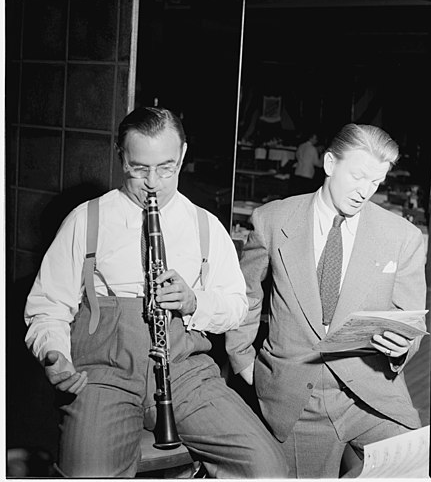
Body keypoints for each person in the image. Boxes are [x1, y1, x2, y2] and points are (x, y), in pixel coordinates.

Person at [24, 106, 288, 478]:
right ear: (121, 157)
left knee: (266, 467)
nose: (154, 182)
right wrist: (54, 353)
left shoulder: (205, 226)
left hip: (185, 372)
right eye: (139, 168)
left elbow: (234, 308)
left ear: (182, 155)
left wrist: (194, 301)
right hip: (104, 373)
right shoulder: (87, 218)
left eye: (166, 168)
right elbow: (48, 306)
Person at [226, 123, 427, 478]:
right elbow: (246, 296)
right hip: (295, 396)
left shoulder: (404, 237)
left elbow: (410, 322)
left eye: (376, 183)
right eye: (358, 176)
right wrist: (243, 361)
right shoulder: (272, 220)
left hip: (371, 392)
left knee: (416, 465)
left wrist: (400, 348)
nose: (364, 192)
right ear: (331, 164)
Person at [289, 131, 323, 196]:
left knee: (297, 194)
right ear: (311, 138)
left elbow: (297, 156)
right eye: (315, 139)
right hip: (307, 174)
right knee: (304, 195)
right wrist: (322, 156)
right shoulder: (312, 149)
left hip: (298, 171)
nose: (316, 140)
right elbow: (318, 164)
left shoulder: (301, 146)